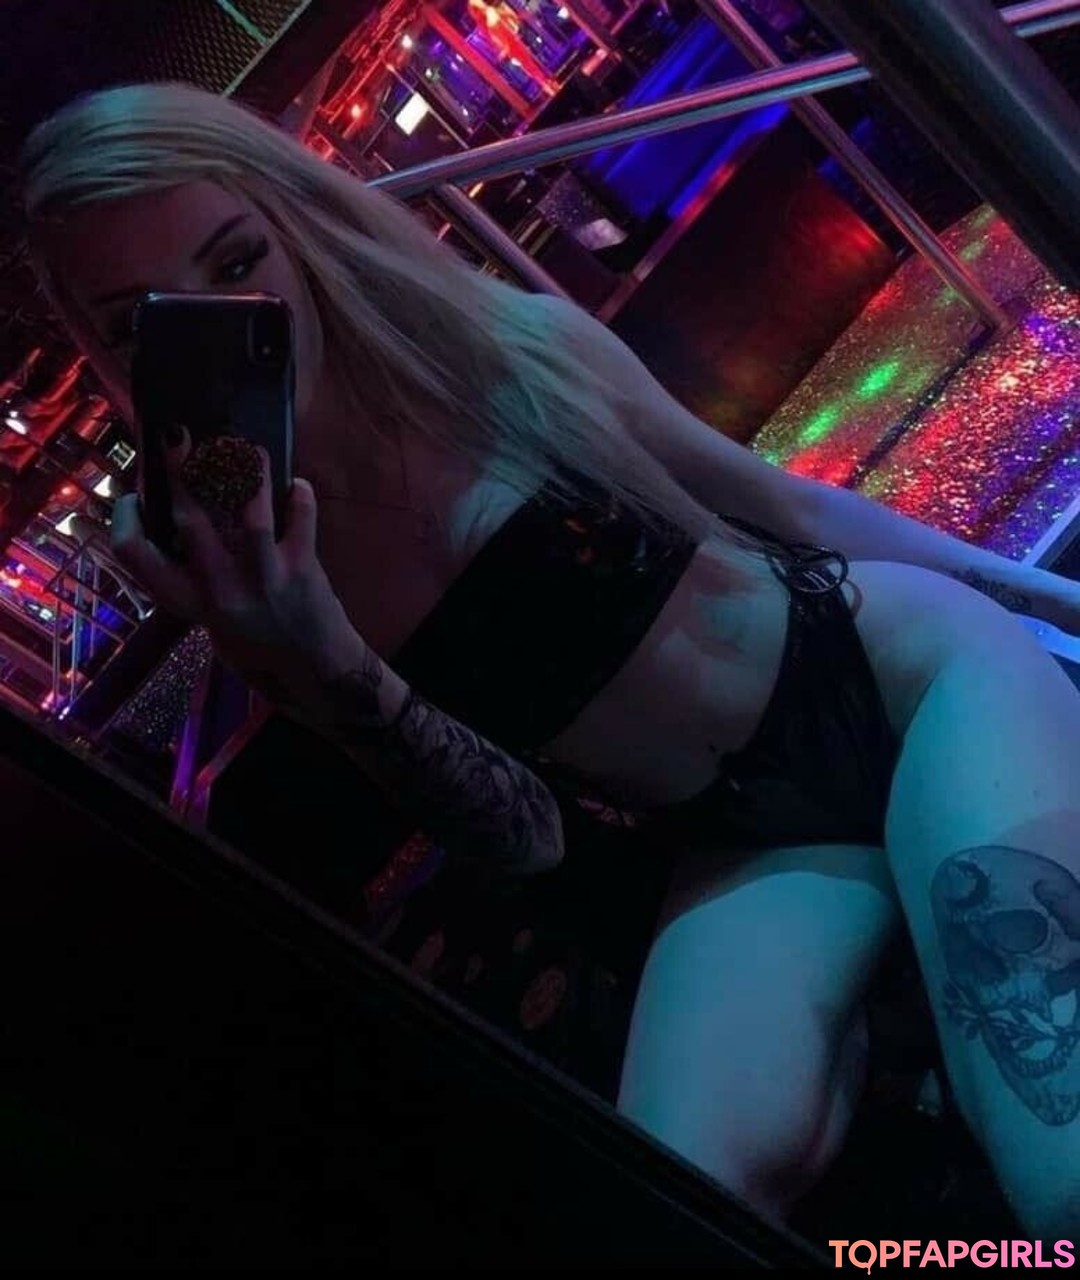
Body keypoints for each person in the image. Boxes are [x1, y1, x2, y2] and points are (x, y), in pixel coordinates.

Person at [16, 81, 1080, 1235]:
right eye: (143, 326)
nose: (229, 321)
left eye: (235, 260)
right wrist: (319, 653)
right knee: (677, 1205)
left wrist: (1056, 605)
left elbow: (795, 511)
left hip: (903, 677)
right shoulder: (248, 575)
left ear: (295, 218)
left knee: (1055, 1139)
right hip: (736, 843)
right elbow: (522, 837)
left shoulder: (507, 349)